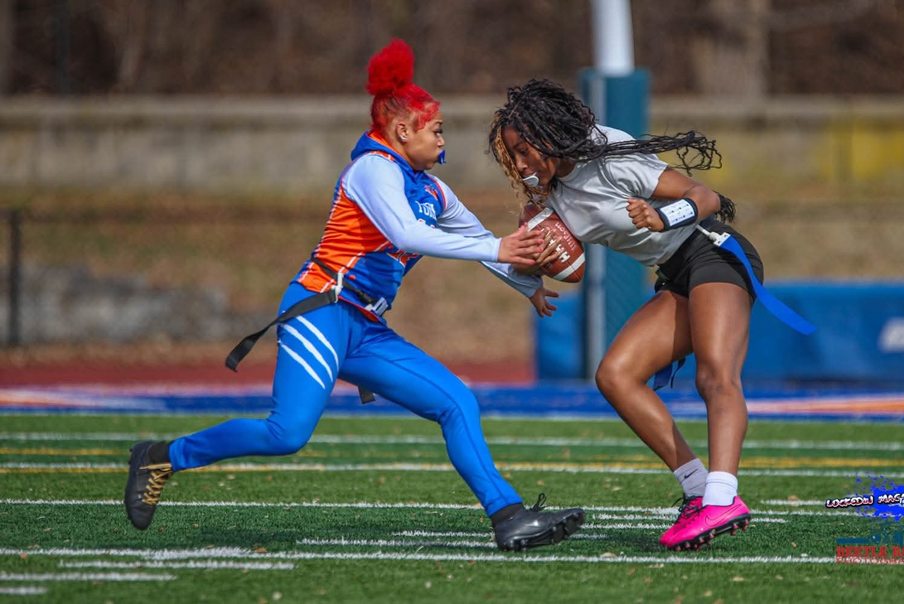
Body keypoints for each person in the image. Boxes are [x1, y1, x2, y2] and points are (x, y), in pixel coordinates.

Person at [123, 42, 585, 552]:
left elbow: (480, 245)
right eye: (436, 128)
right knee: (287, 434)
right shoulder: (372, 169)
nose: (442, 138)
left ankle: (508, 516)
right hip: (320, 310)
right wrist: (499, 245)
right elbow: (408, 235)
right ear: (402, 129)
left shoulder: (432, 189)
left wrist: (528, 286)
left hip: (365, 327)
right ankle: (162, 456)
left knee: (456, 401)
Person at [488, 79, 760, 551]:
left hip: (713, 251)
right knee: (615, 375)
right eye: (512, 155)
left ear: (550, 135)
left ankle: (722, 497)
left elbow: (707, 196)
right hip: (675, 272)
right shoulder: (549, 198)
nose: (518, 163)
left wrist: (662, 217)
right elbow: (544, 255)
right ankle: (698, 490)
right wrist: (532, 280)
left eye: (523, 150)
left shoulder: (610, 156)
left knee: (716, 376)